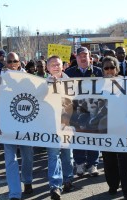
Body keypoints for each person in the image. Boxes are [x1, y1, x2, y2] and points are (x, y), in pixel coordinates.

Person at [0, 52, 34, 200]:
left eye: (14, 61)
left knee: (27, 156)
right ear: (5, 63)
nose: (11, 64)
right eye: (8, 61)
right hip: (7, 126)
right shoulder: (0, 80)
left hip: (25, 124)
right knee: (10, 159)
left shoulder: (29, 79)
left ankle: (27, 180)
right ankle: (15, 193)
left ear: (19, 63)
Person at [100, 56, 127, 199]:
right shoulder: (96, 84)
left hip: (123, 126)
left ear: (117, 68)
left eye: (112, 67)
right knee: (109, 160)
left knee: (125, 159)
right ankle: (113, 186)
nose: (109, 70)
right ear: (102, 70)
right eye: (106, 68)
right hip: (105, 127)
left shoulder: (126, 83)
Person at [65, 47, 102, 177]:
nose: (82, 57)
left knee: (93, 137)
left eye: (85, 55)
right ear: (76, 57)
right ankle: (79, 163)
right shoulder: (69, 73)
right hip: (76, 111)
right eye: (80, 55)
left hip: (94, 110)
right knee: (78, 137)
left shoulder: (98, 71)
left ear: (89, 56)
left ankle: (92, 164)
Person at [46, 55, 75, 195]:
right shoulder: (42, 83)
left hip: (67, 124)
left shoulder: (71, 81)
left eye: (58, 64)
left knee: (67, 154)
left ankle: (68, 179)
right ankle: (55, 186)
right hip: (51, 125)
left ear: (63, 66)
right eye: (53, 65)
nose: (56, 67)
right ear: (47, 68)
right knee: (53, 155)